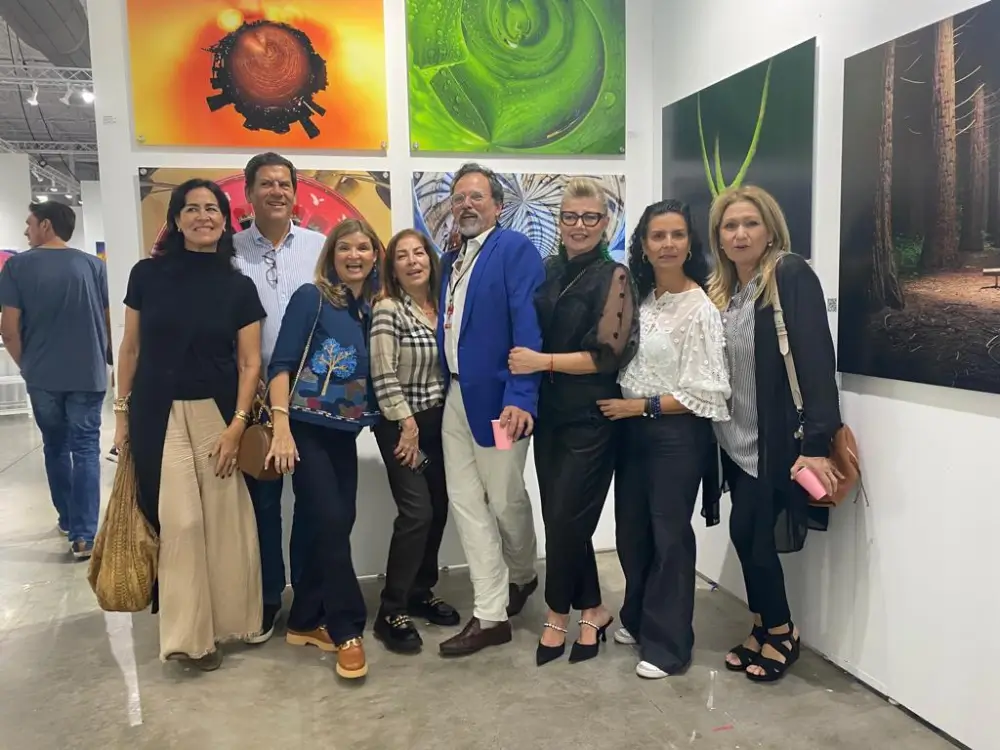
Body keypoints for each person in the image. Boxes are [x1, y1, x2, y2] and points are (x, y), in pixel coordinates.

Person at [114, 179, 265, 670]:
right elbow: (131, 347)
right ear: (176, 219)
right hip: (157, 412)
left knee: (224, 525)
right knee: (180, 523)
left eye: (213, 209)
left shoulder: (239, 285)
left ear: (226, 219)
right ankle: (187, 637)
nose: (204, 216)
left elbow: (249, 364)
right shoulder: (146, 275)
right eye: (192, 209)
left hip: (218, 415)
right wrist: (120, 415)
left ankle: (226, 626)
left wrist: (237, 426)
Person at [707, 185, 842, 683]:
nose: (740, 234)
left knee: (749, 534)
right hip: (734, 440)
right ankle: (763, 625)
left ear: (770, 230)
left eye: (750, 224)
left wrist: (816, 444)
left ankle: (783, 632)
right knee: (748, 538)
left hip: (774, 441)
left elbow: (816, 363)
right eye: (729, 226)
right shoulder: (726, 290)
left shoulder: (788, 275)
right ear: (718, 238)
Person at [506, 177, 638, 666]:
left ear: (605, 224)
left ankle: (557, 614)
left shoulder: (615, 276)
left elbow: (608, 356)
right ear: (558, 222)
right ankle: (596, 609)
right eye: (569, 216)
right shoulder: (548, 270)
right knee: (566, 520)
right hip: (551, 417)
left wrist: (543, 363)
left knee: (565, 519)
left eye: (590, 217)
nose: (578, 226)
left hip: (592, 416)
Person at [599, 199, 731, 679]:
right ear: (644, 245)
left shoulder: (700, 308)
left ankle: (669, 645)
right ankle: (637, 616)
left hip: (675, 436)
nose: (668, 243)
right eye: (658, 236)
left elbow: (708, 392)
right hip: (631, 433)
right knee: (632, 533)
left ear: (690, 244)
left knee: (669, 536)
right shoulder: (643, 298)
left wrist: (640, 406)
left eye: (677, 235)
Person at [264, 218, 381, 680]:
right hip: (306, 431)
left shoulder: (367, 310)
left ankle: (304, 619)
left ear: (375, 256)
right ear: (331, 255)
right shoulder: (311, 298)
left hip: (343, 435)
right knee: (332, 524)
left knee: (329, 522)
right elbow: (281, 366)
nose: (355, 256)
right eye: (345, 248)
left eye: (364, 248)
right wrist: (281, 428)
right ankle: (345, 627)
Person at [436, 163, 544, 657]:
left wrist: (520, 398)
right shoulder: (451, 258)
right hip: (456, 400)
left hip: (501, 406)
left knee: (503, 498)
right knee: (464, 500)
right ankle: (491, 612)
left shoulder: (514, 250)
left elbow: (528, 324)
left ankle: (523, 573)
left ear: (498, 206)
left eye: (476, 197)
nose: (466, 205)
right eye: (459, 198)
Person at [233, 152, 328, 642]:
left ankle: (309, 598)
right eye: (265, 184)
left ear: (296, 193)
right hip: (252, 399)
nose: (276, 191)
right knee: (264, 503)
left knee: (313, 503)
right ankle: (270, 596)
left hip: (312, 396)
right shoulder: (230, 252)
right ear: (249, 194)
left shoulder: (320, 248)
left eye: (284, 184)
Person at [0, 201, 110, 559]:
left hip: (43, 374)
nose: (26, 231)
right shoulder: (94, 266)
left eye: (29, 224)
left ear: (46, 225)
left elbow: (9, 329)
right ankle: (84, 535)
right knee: (86, 449)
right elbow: (109, 323)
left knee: (56, 447)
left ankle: (67, 517)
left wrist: (27, 366)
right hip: (87, 373)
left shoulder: (16, 267)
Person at [370, 229, 459, 654]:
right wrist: (406, 425)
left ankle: (421, 592)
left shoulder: (443, 308)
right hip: (402, 426)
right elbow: (383, 374)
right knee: (417, 513)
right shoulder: (388, 309)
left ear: (430, 258)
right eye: (401, 256)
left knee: (438, 508)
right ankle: (391, 609)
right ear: (392, 267)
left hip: (441, 424)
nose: (412, 261)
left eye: (418, 252)